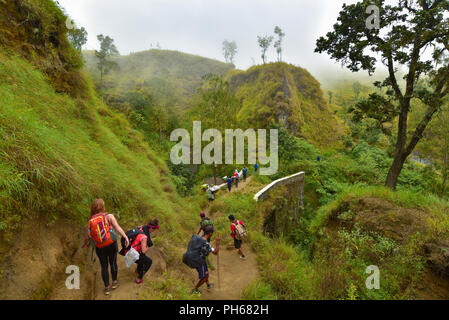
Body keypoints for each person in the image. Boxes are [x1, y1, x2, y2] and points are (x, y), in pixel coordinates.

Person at [82, 199, 129, 296]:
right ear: (103, 207)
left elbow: (89, 235)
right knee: (113, 262)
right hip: (111, 244)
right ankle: (114, 282)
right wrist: (125, 236)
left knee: (104, 266)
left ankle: (107, 287)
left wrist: (85, 243)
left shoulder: (91, 221)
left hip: (100, 246)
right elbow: (117, 227)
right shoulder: (109, 216)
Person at [120, 219, 159, 284]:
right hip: (132, 254)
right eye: (154, 230)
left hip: (127, 250)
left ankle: (138, 271)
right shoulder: (144, 237)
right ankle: (139, 277)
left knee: (142, 258)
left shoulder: (140, 228)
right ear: (151, 228)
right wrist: (147, 247)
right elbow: (144, 251)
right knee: (149, 262)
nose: (153, 231)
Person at [188, 225, 220, 294]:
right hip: (199, 261)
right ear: (210, 233)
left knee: (206, 273)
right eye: (212, 232)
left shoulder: (197, 237)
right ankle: (195, 289)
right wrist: (217, 243)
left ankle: (208, 285)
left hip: (193, 257)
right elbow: (215, 252)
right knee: (205, 277)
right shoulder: (206, 243)